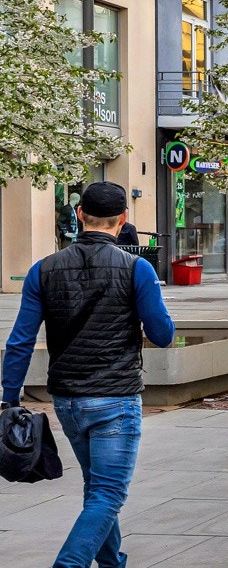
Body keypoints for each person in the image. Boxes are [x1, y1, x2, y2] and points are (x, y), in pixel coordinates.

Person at [3, 181, 175, 568]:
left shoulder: (43, 269)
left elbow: (19, 342)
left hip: (67, 400)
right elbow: (163, 335)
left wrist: (10, 398)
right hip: (116, 399)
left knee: (96, 488)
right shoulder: (137, 268)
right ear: (123, 220)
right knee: (108, 494)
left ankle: (112, 563)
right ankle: (70, 564)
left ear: (80, 215)